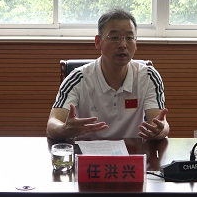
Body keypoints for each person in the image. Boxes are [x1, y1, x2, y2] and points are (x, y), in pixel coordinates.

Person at [47, 9, 169, 140]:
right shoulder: (78, 78)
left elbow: (161, 124)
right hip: (88, 151)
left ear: (136, 43)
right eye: (114, 38)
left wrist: (160, 131)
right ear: (98, 42)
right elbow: (52, 124)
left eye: (129, 38)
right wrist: (64, 129)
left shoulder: (148, 76)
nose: (123, 45)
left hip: (133, 151)